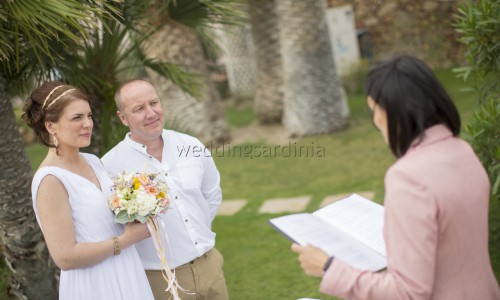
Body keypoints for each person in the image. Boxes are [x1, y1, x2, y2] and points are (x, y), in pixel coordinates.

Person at [291, 55, 500, 299]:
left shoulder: (408, 177)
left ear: (391, 113)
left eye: (373, 111)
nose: (375, 122)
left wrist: (328, 267)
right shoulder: (462, 151)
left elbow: (408, 293)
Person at [23, 81, 154, 300]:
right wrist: (126, 240)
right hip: (95, 283)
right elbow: (64, 257)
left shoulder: (93, 161)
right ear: (50, 126)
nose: (88, 124)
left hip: (127, 269)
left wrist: (139, 205)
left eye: (89, 116)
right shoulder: (50, 181)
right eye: (77, 118)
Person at [102, 79, 228, 300]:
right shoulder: (110, 166)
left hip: (210, 266)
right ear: (123, 118)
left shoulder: (191, 145)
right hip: (160, 280)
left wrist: (195, 234)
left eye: (154, 103)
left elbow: (211, 196)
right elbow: (112, 226)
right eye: (139, 108)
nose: (151, 113)